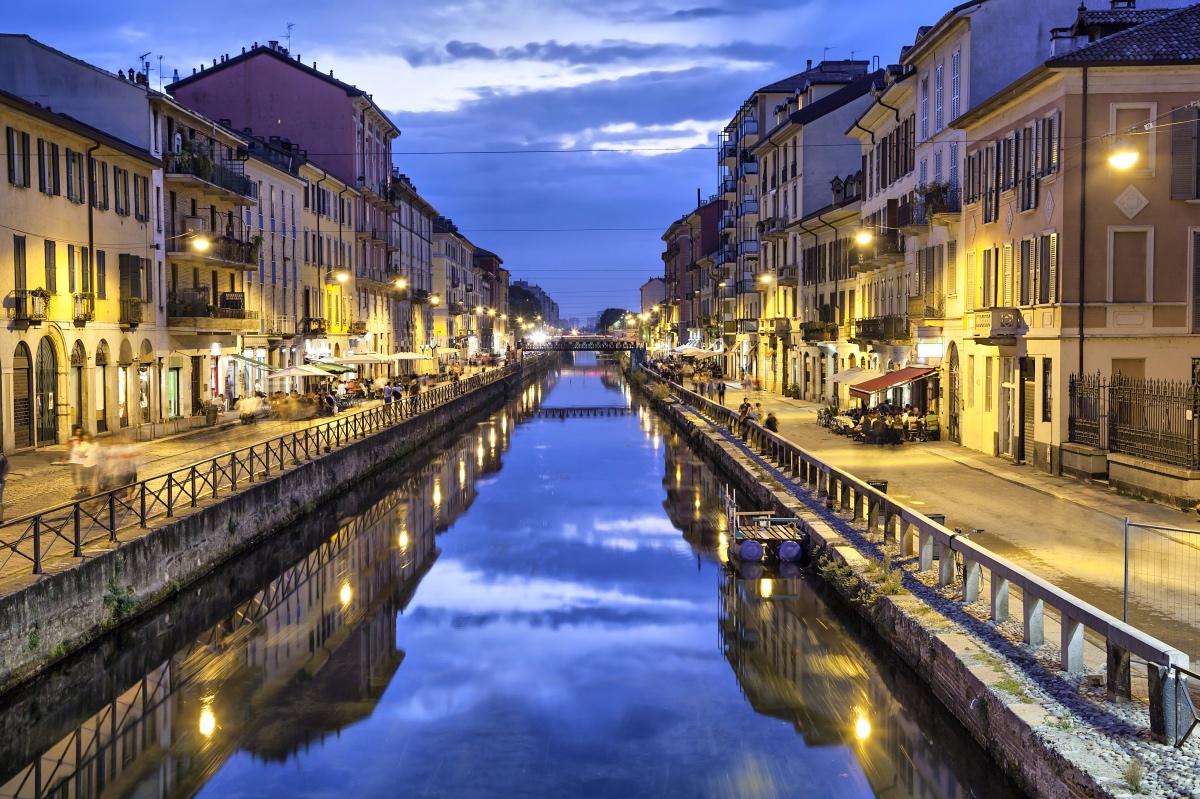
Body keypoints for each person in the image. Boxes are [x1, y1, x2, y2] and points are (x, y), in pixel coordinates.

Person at [66, 426, 87, 494]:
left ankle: (84, 485)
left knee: (83, 473)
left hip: (82, 459)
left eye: (80, 431)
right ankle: (76, 486)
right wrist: (64, 458)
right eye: (77, 431)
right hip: (74, 459)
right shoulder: (71, 439)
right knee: (74, 473)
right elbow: (68, 448)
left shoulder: (84, 439)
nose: (78, 432)